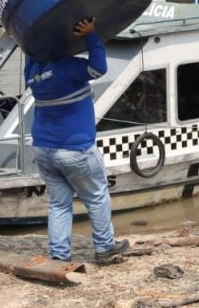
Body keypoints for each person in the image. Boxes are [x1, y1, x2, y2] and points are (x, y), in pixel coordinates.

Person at [25, 17, 129, 264]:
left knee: (59, 204)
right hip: (75, 150)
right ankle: (105, 249)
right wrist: (91, 34)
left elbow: (29, 49)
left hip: (44, 149)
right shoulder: (68, 68)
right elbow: (99, 67)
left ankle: (59, 256)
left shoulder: (32, 72)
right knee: (97, 196)